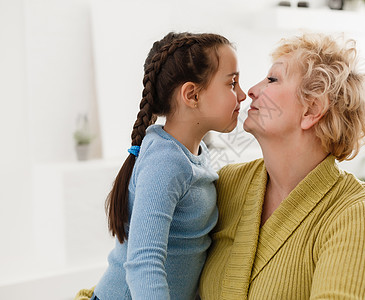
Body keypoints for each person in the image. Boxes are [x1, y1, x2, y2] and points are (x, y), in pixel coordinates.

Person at [199, 32, 365, 299]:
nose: (250, 92)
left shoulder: (356, 213)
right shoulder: (226, 184)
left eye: (272, 79)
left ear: (311, 110)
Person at [75, 32, 246, 300]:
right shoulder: (166, 162)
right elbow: (144, 263)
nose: (243, 94)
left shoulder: (193, 153)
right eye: (232, 83)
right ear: (192, 94)